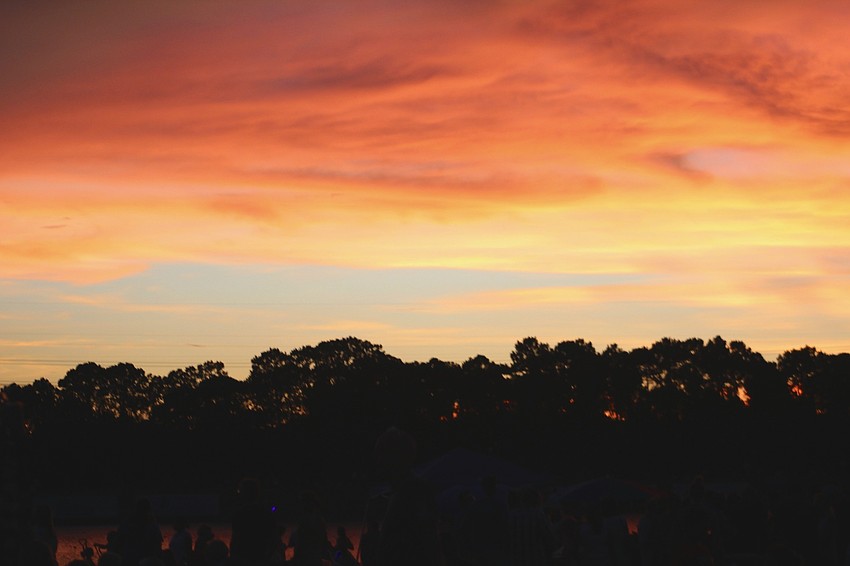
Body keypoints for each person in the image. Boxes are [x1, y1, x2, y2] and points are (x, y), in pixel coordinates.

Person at [230, 478, 278, 566]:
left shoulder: (239, 514)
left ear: (244, 493)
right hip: (261, 557)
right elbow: (274, 540)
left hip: (243, 559)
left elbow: (235, 540)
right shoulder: (266, 513)